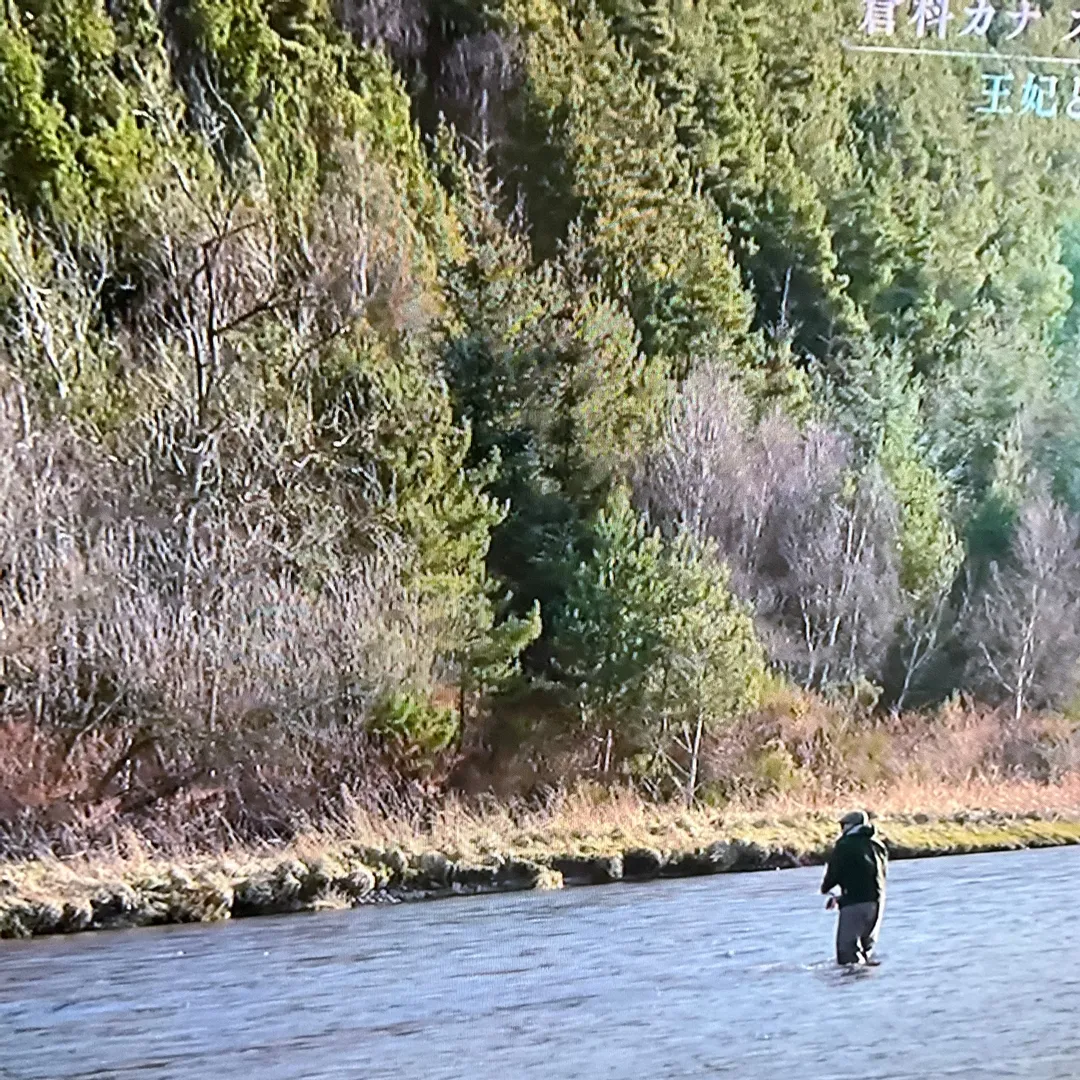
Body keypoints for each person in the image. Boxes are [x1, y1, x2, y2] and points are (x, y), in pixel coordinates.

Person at [820, 809, 888, 966]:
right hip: (878, 901)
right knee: (867, 949)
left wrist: (826, 888)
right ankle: (870, 984)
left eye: (843, 825)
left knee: (847, 952)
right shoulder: (878, 845)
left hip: (855, 903)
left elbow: (834, 873)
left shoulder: (845, 845)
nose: (841, 829)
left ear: (851, 826)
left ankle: (852, 986)